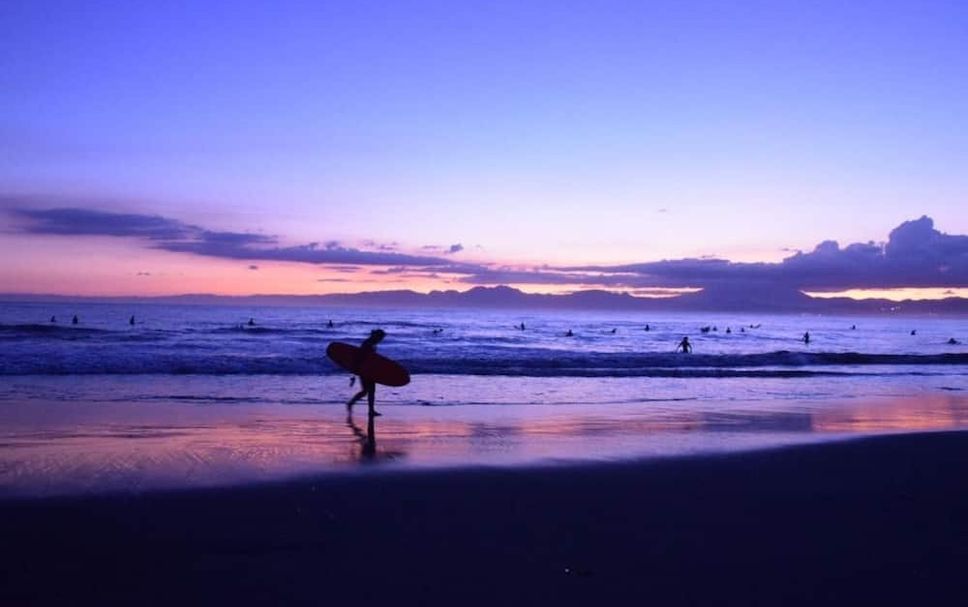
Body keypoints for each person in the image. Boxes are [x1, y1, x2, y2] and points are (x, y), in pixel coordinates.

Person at [347, 329, 386, 417]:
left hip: (369, 370)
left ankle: (367, 409)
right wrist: (354, 373)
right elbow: (359, 358)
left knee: (367, 391)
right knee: (368, 391)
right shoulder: (367, 344)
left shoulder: (371, 344)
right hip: (365, 371)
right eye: (381, 338)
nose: (381, 340)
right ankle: (354, 404)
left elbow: (372, 358)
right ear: (376, 336)